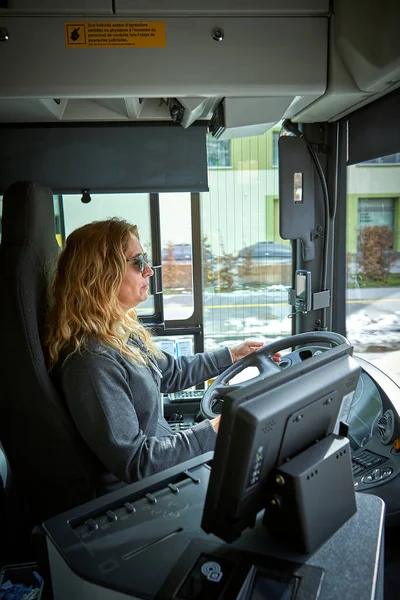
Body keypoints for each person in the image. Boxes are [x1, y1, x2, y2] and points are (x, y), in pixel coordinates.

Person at [45, 218, 278, 490]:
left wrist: (232, 355)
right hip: (144, 491)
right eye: (137, 261)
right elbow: (136, 462)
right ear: (100, 274)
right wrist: (214, 430)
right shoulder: (91, 361)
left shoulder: (118, 332)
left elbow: (170, 373)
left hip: (166, 464)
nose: (149, 271)